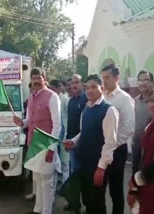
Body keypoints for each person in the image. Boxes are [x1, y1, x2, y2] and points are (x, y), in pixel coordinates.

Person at [64, 74, 119, 214]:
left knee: (97, 202)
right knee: (88, 200)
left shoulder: (108, 110)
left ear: (102, 88)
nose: (89, 90)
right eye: (87, 88)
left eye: (94, 87)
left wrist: (101, 168)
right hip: (84, 163)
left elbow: (110, 143)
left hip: (98, 165)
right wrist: (73, 142)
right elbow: (83, 132)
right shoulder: (86, 109)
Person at [13, 67, 61, 214]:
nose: (36, 81)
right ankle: (38, 209)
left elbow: (57, 125)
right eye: (33, 78)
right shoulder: (32, 98)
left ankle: (46, 211)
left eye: (38, 77)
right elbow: (29, 120)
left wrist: (51, 149)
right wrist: (21, 122)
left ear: (44, 78)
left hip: (46, 145)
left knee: (46, 182)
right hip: (33, 144)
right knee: (38, 179)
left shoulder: (52, 96)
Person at [101, 64, 135, 214]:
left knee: (115, 190)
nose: (104, 81)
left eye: (107, 78)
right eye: (103, 78)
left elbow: (129, 128)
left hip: (117, 150)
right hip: (102, 148)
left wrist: (113, 144)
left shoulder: (124, 99)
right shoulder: (104, 97)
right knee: (100, 186)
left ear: (116, 78)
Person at [64, 74, 87, 213]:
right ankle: (74, 202)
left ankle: (85, 204)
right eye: (72, 83)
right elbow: (70, 122)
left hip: (83, 142)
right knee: (73, 173)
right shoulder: (71, 101)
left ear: (81, 83)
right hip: (72, 142)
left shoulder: (86, 99)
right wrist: (68, 139)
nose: (74, 85)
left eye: (77, 82)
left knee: (82, 174)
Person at [128, 94, 154, 214]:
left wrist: (137, 179)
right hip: (147, 178)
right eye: (151, 100)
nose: (151, 104)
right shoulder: (151, 123)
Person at [132, 71, 153, 174]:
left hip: (151, 149)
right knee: (135, 176)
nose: (142, 83)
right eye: (140, 80)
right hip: (136, 145)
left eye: (146, 80)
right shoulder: (134, 101)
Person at [49, 79, 70, 185]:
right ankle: (59, 183)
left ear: (59, 88)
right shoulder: (52, 98)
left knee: (65, 162)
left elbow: (68, 118)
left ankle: (66, 186)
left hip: (65, 134)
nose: (51, 91)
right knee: (57, 162)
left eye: (53, 89)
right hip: (56, 134)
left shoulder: (65, 100)